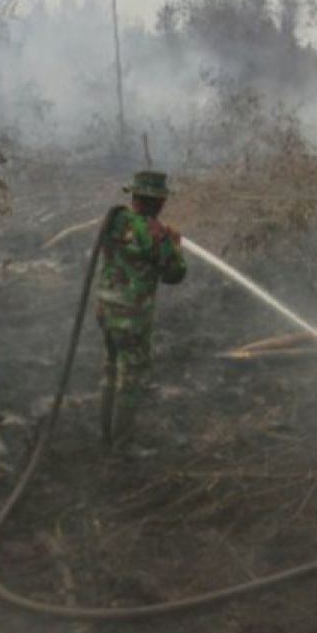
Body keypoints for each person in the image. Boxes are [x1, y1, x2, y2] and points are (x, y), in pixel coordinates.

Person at [96, 170, 187, 454]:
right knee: (132, 375)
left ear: (134, 196)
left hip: (105, 308)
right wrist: (174, 244)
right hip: (132, 315)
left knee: (111, 368)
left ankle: (107, 435)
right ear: (159, 202)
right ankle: (122, 445)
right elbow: (174, 273)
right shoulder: (154, 233)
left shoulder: (116, 220)